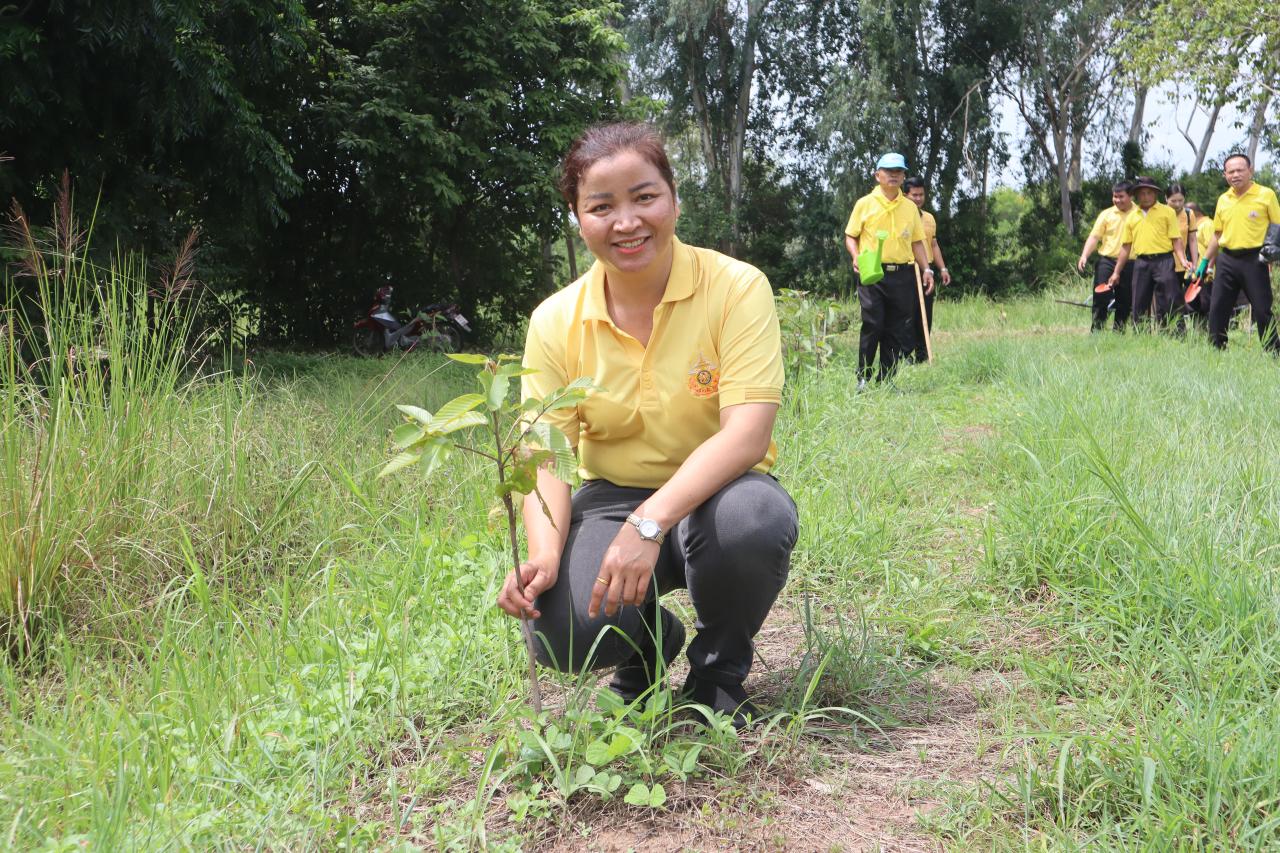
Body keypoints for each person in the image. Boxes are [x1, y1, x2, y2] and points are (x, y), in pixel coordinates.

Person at [499, 122, 799, 729]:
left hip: (723, 491)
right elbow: (547, 453)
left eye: (644, 196)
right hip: (610, 497)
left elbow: (745, 434)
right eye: (601, 206)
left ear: (674, 198)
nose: (627, 222)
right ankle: (648, 649)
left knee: (754, 523)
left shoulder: (736, 288)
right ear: (577, 219)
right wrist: (543, 554)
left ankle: (718, 674)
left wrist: (651, 522)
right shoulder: (555, 321)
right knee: (558, 631)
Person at [844, 153, 934, 386]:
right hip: (873, 271)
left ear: (904, 176)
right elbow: (850, 236)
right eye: (888, 170)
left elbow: (917, 242)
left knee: (896, 328)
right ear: (877, 175)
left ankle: (887, 380)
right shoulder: (864, 204)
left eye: (898, 171)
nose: (894, 175)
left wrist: (927, 270)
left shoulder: (909, 208)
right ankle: (863, 378)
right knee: (873, 323)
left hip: (903, 274)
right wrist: (855, 256)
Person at [1204, 152, 1280, 353]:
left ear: (1250, 171)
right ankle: (1216, 350)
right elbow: (1217, 234)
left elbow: (1277, 223)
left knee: (1262, 309)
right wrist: (1204, 263)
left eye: (1240, 170)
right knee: (1218, 307)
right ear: (1225, 175)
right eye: (1231, 171)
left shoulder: (1266, 194)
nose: (1235, 174)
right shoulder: (1223, 199)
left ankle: (1273, 352)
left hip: (1255, 260)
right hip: (1227, 258)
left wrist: (1272, 248)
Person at [1108, 175, 1190, 329]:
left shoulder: (1167, 212)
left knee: (1170, 298)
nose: (1145, 197)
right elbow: (1126, 246)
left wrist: (1183, 259)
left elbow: (1176, 239)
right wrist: (1116, 272)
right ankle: (1141, 334)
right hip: (1141, 262)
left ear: (1155, 194)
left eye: (1149, 193)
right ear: (1136, 195)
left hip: (1164, 260)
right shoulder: (1132, 216)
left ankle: (1176, 332)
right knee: (1139, 300)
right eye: (1142, 193)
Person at [1077, 181, 1135, 331]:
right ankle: (1096, 331)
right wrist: (1084, 256)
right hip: (1107, 261)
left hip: (1130, 263)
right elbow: (1095, 237)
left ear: (1131, 196)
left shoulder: (1139, 214)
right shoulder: (1106, 214)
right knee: (1101, 297)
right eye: (1115, 197)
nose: (1117, 200)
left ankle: (1119, 333)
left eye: (1121, 196)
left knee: (1125, 300)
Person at [904, 177, 952, 361]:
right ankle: (905, 356)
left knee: (925, 313)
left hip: (927, 271)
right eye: (914, 195)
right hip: (907, 268)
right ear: (905, 195)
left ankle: (922, 355)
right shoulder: (902, 218)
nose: (918, 198)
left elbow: (934, 245)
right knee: (907, 313)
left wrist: (942, 268)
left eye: (921, 194)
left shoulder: (930, 218)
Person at [1185, 201, 1214, 325]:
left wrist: (1210, 268)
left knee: (1206, 306)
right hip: (1194, 274)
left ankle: (1207, 332)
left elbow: (1213, 248)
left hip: (1205, 274)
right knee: (1194, 307)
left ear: (1193, 213)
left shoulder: (1207, 224)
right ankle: (1197, 334)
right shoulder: (1193, 226)